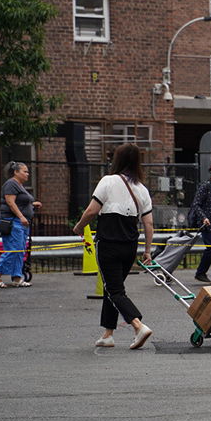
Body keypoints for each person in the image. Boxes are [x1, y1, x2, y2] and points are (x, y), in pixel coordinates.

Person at [72, 143, 156, 349]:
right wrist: (147, 251)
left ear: (117, 160)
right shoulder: (142, 189)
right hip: (130, 246)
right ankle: (108, 334)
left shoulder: (108, 181)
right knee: (114, 288)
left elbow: (92, 211)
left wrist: (79, 227)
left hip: (109, 243)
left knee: (114, 289)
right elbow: (149, 224)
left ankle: (138, 325)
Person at [0, 161, 41, 288]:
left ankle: (17, 277)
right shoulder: (11, 184)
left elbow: (20, 202)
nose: (27, 174)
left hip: (21, 223)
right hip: (12, 222)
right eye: (24, 171)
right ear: (16, 172)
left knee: (20, 251)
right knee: (14, 249)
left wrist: (32, 204)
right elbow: (10, 202)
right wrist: (21, 216)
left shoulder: (19, 185)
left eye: (28, 171)